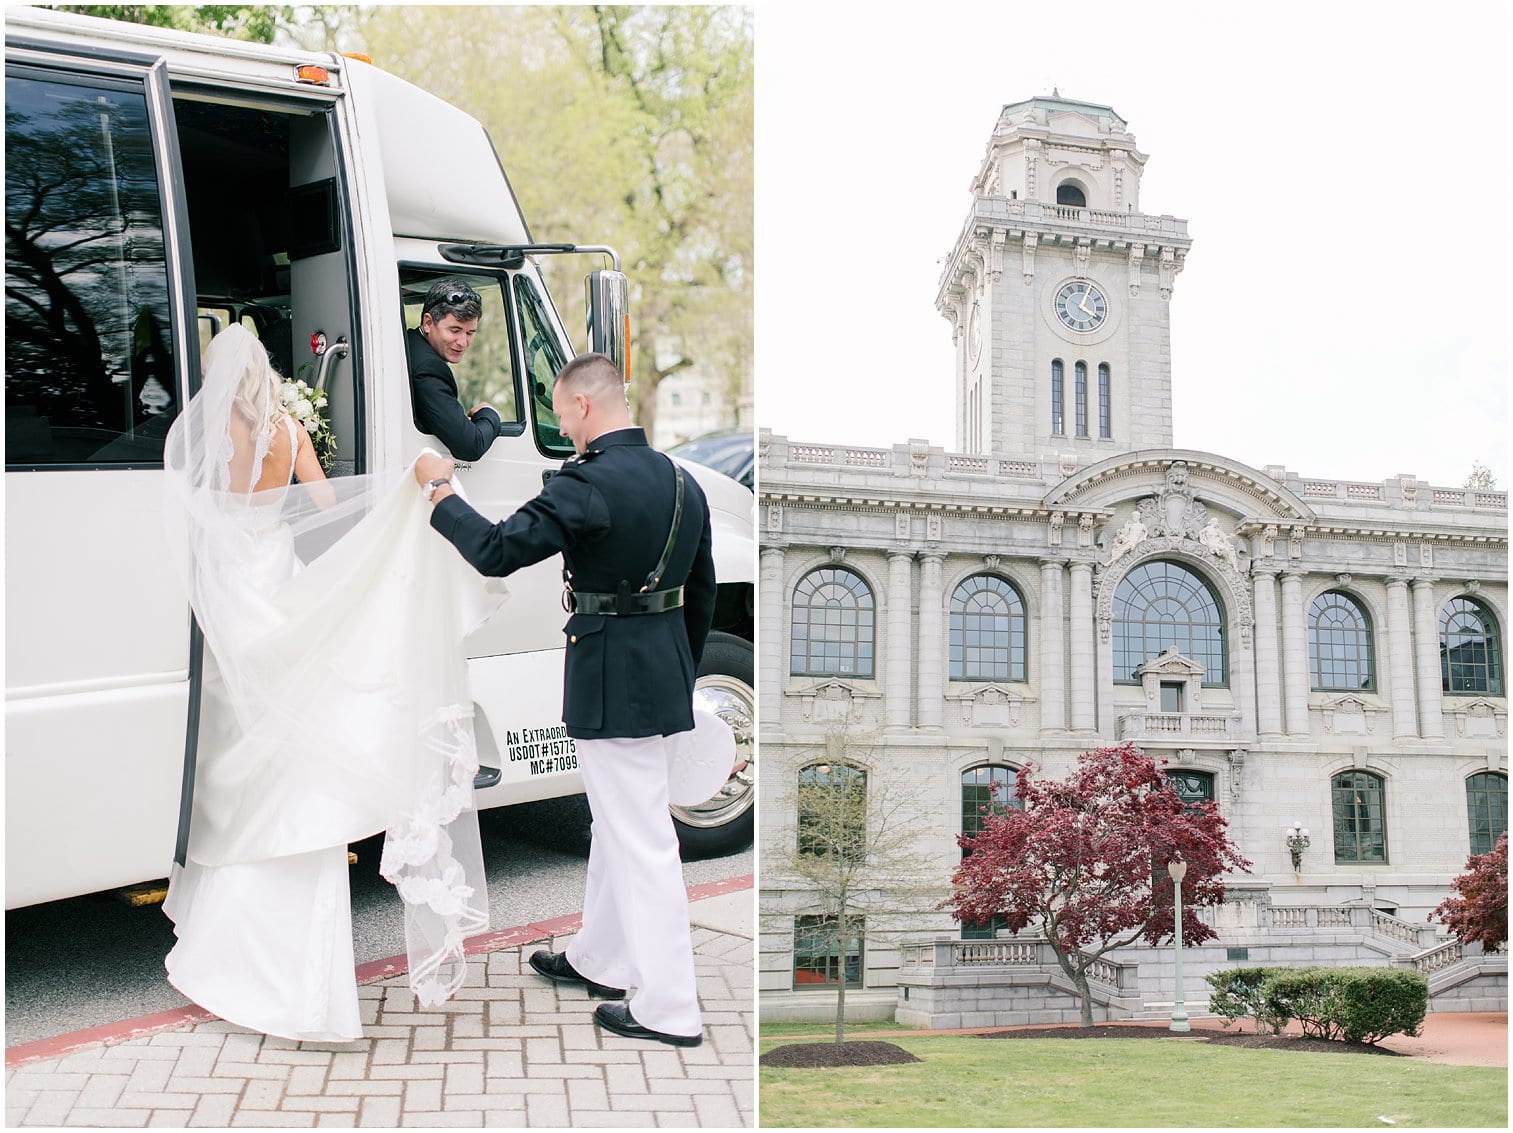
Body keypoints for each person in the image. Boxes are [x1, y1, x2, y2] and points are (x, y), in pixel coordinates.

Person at [162, 325, 497, 1042]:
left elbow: (194, 504)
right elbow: (322, 509)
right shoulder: (289, 427)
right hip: (276, 579)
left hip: (228, 587)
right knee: (278, 743)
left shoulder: (213, 425)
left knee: (231, 746)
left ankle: (221, 901)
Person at [413, 352, 715, 1047]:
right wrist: (677, 675)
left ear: (582, 406)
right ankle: (600, 958)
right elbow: (698, 593)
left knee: (639, 840)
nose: (560, 422)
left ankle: (669, 1006)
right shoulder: (682, 480)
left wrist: (440, 491)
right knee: (618, 826)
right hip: (661, 675)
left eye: (558, 409)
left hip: (611, 678)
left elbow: (493, 550)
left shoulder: (585, 485)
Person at [407, 279, 500, 460]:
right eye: (455, 330)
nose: (463, 342)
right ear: (428, 323)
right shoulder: (428, 369)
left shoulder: (411, 345)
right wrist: (490, 414)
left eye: (470, 333)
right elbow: (470, 445)